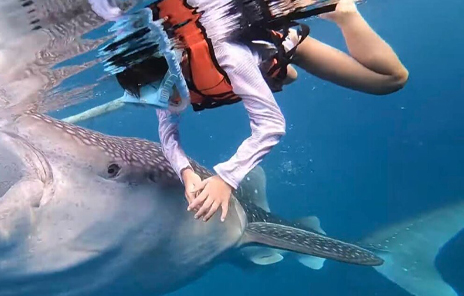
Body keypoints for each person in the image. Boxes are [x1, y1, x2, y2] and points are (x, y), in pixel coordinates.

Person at [89, 0, 408, 223]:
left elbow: (271, 126)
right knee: (281, 80)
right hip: (254, 69)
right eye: (151, 97)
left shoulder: (226, 57)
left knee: (391, 80)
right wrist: (187, 174)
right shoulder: (163, 84)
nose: (165, 102)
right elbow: (168, 135)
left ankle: (345, 13)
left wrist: (225, 179)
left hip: (276, 49)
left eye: (163, 92)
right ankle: (274, 72)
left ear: (176, 65)